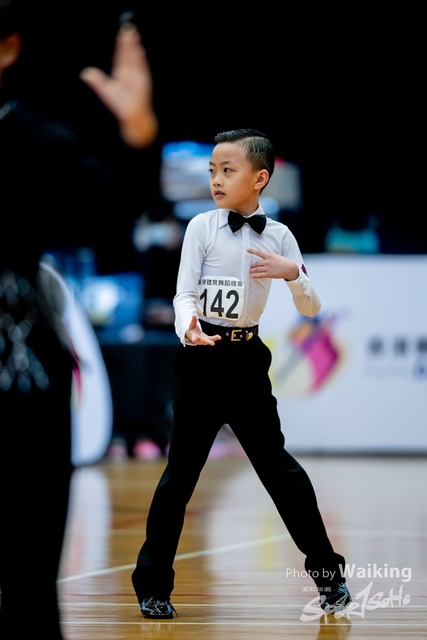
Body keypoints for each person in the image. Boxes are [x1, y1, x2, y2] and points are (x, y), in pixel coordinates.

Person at [131, 129, 352, 620]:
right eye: (212, 170)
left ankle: (329, 578)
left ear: (259, 178)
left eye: (227, 171)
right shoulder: (200, 227)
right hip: (200, 359)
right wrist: (188, 326)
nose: (215, 179)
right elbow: (183, 293)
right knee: (179, 478)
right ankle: (153, 587)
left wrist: (292, 273)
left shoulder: (280, 235)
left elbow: (311, 306)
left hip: (247, 362)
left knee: (281, 473)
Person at [0, 2, 158, 638]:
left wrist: (139, 135)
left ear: (8, 48)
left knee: (29, 581)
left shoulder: (30, 138)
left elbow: (110, 210)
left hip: (22, 381)